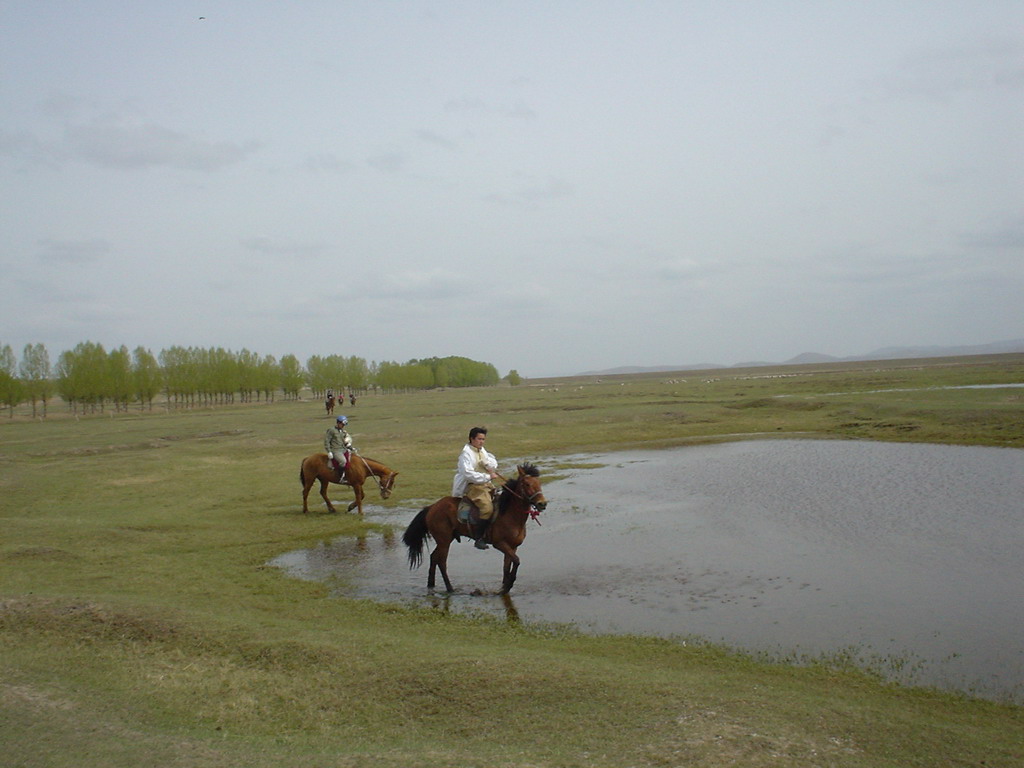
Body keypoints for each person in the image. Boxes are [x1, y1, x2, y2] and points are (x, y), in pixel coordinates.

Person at [452, 426, 500, 549]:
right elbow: (468, 474)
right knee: (487, 508)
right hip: (473, 486)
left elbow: (492, 461)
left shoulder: (482, 451)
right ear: (471, 439)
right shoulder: (465, 454)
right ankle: (479, 538)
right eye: (479, 439)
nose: (481, 442)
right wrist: (487, 477)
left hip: (486, 485)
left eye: (483, 439)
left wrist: (489, 466)